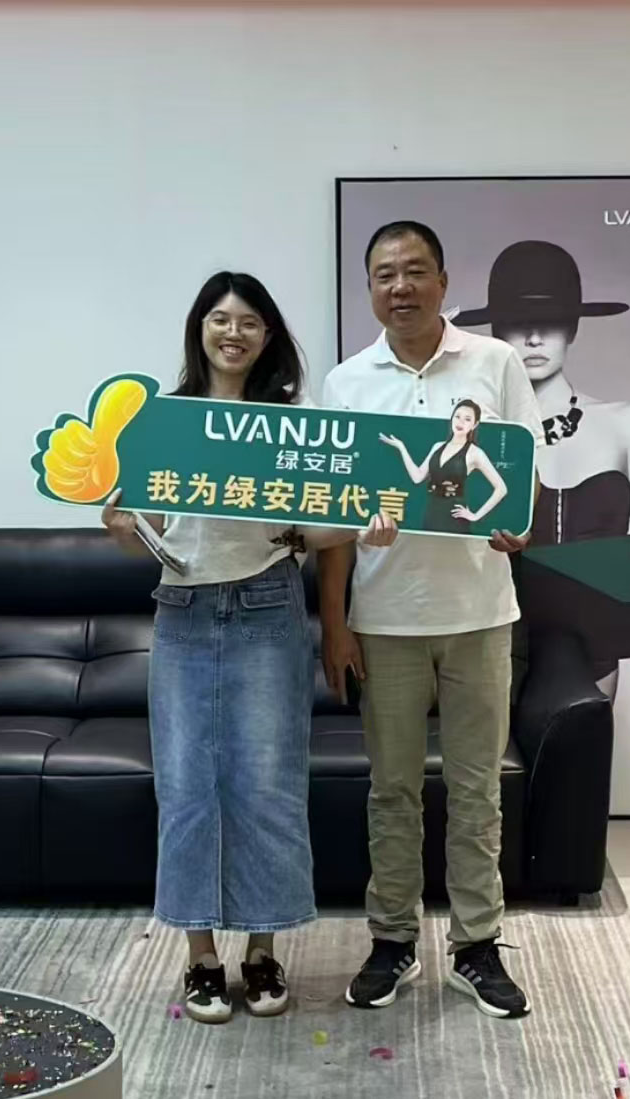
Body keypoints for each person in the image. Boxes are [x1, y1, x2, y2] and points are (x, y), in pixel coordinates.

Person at [100, 271, 397, 1024]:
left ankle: (263, 951)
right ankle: (200, 957)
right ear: (199, 327)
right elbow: (150, 534)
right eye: (220, 319)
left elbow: (314, 530)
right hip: (183, 611)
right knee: (186, 786)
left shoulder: (291, 423)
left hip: (267, 605)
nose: (233, 333)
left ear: (267, 337)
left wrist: (365, 523)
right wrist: (122, 529)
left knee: (268, 783)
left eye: (249, 322)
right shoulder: (163, 420)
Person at [319, 222, 544, 1020]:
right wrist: (336, 624)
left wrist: (518, 523)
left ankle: (477, 944)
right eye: (385, 274)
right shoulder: (347, 382)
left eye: (415, 271)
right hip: (386, 617)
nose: (401, 286)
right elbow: (334, 517)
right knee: (392, 791)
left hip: (480, 614)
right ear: (370, 289)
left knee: (478, 789)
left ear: (444, 281)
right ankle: (392, 938)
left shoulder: (495, 362)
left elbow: (524, 473)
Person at [454, 239, 630, 801]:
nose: (533, 337)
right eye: (515, 322)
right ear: (494, 330)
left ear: (574, 327)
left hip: (591, 656)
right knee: (483, 800)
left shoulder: (626, 424)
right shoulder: (472, 431)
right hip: (488, 640)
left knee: (567, 804)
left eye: (550, 321)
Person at [379, 399, 508, 535]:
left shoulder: (475, 453)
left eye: (467, 419)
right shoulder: (437, 446)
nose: (460, 422)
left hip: (455, 515)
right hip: (431, 510)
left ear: (475, 424)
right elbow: (417, 477)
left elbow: (501, 488)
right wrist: (401, 448)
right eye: (457, 416)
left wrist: (476, 515)